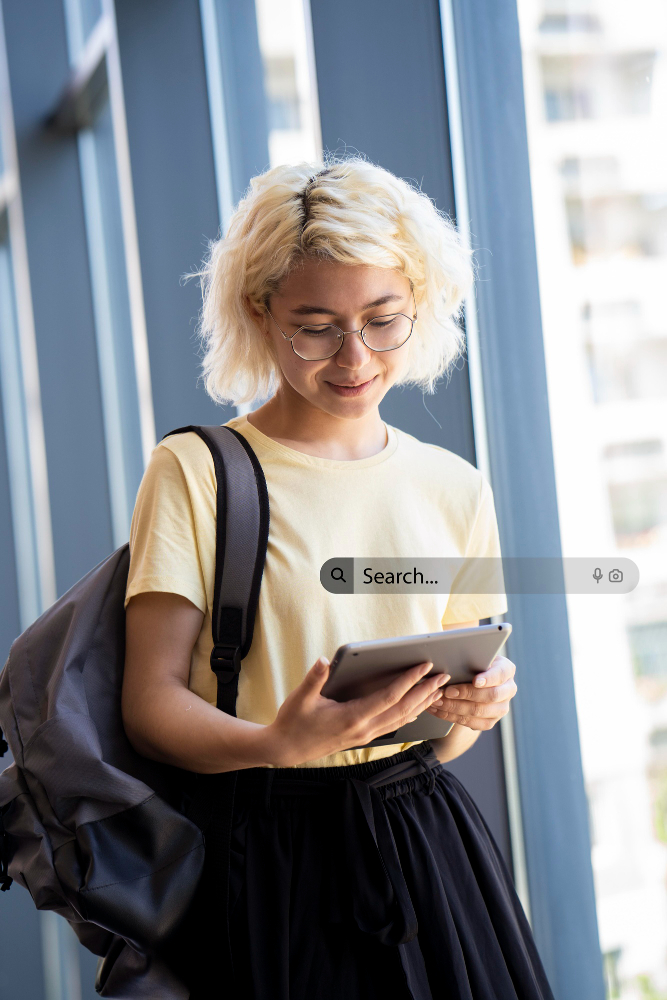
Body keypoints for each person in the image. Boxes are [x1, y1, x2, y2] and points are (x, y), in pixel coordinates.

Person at [121, 157, 555, 999]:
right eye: (315, 326)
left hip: (427, 844)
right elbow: (148, 703)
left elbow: (444, 734)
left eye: (383, 320)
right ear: (261, 312)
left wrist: (474, 708)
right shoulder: (199, 470)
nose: (355, 357)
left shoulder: (453, 483)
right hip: (266, 848)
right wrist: (274, 744)